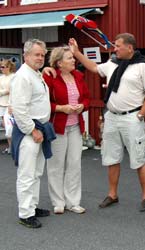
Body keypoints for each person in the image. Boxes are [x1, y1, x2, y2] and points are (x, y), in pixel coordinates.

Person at [68, 34, 145, 211]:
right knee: (111, 157)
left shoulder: (143, 67)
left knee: (140, 158)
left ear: (129, 48)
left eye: (118, 46)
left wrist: (140, 115)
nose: (114, 49)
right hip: (112, 117)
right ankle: (112, 194)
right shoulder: (112, 64)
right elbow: (93, 67)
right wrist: (76, 53)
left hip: (132, 118)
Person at [11, 39, 55, 228]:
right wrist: (32, 130)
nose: (40, 58)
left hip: (39, 129)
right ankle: (25, 213)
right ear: (26, 55)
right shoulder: (23, 77)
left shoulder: (35, 74)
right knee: (27, 174)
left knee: (36, 173)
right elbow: (19, 109)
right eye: (36, 54)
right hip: (29, 132)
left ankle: (32, 206)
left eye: (42, 55)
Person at [43, 46, 90, 215]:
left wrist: (82, 106)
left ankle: (73, 202)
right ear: (59, 63)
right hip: (57, 128)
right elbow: (43, 103)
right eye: (69, 58)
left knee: (74, 165)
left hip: (76, 127)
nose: (73, 60)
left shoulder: (78, 76)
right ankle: (58, 202)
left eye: (72, 57)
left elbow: (86, 98)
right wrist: (61, 108)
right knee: (56, 166)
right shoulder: (49, 77)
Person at [0, 59, 16, 154]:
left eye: (3, 67)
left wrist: (3, 92)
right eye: (1, 67)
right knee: (5, 127)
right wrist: (5, 91)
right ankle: (10, 147)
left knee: (10, 126)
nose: (1, 69)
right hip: (1, 104)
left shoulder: (13, 77)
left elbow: (12, 90)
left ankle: (13, 147)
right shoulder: (1, 78)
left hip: (10, 105)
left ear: (8, 67)